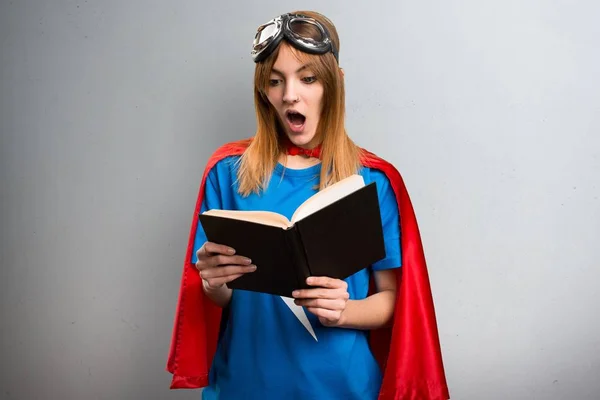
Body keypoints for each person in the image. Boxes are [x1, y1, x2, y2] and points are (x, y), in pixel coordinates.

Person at [167, 11, 449, 400]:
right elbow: (219, 297)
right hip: (246, 385)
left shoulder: (373, 181)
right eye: (275, 81)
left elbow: (394, 301)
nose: (289, 95)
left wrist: (344, 311)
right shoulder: (227, 172)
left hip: (342, 388)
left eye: (308, 78)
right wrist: (213, 283)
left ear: (335, 84)